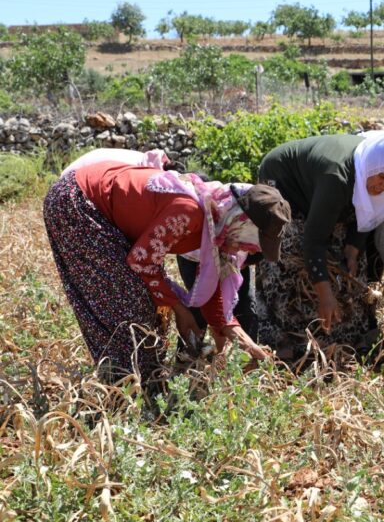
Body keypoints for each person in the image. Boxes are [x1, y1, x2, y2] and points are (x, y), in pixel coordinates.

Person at [43, 161, 289, 385]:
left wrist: (245, 342)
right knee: (129, 307)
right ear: (242, 221)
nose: (243, 250)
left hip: (99, 208)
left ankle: (145, 387)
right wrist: (181, 310)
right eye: (251, 241)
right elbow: (142, 262)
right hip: (78, 202)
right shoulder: (190, 211)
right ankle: (123, 393)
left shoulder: (217, 227)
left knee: (150, 310)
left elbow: (214, 296)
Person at [254, 129, 384, 358]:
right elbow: (313, 241)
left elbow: (368, 214)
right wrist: (325, 295)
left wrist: (353, 248)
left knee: (349, 265)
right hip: (285, 182)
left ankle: (344, 337)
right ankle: (283, 342)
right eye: (382, 177)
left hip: (325, 192)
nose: (383, 186)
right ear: (372, 166)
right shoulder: (337, 178)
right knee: (289, 258)